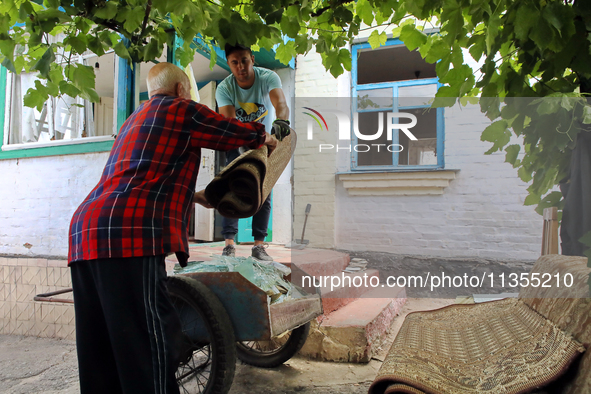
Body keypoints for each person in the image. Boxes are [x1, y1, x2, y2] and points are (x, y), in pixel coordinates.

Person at [67, 62, 277, 394]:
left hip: (86, 232)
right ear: (181, 90)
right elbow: (228, 131)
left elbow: (143, 176)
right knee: (146, 348)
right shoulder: (180, 109)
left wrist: (198, 197)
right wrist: (263, 137)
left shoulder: (132, 122)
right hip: (128, 234)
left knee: (100, 350)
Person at [216, 43, 291, 261]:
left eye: (244, 60)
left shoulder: (268, 77)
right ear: (229, 65)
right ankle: (229, 243)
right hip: (236, 141)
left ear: (252, 59)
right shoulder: (224, 88)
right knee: (231, 189)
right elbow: (231, 123)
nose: (241, 66)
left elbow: (281, 103)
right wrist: (255, 138)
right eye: (234, 62)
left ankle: (259, 245)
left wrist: (281, 120)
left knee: (263, 190)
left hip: (263, 144)